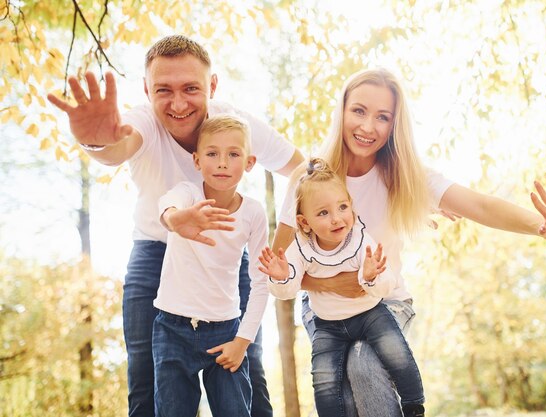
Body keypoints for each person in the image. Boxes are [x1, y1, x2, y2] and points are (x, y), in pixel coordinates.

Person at [272, 68, 546, 417]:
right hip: (326, 311)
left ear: (394, 125)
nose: (368, 127)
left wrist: (544, 227)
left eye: (382, 117)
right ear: (341, 111)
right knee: (343, 396)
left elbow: (478, 204)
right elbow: (280, 267)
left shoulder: (408, 177)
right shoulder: (307, 178)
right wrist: (334, 283)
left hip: (385, 302)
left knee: (362, 364)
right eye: (358, 111)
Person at [47, 35, 304, 417]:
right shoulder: (143, 120)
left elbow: (303, 170)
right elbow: (118, 145)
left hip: (224, 263)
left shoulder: (236, 125)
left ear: (212, 87)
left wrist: (280, 242)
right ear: (147, 89)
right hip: (156, 254)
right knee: (147, 381)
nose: (178, 103)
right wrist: (95, 142)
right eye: (163, 90)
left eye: (191, 88)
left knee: (247, 377)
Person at [259, 157, 426, 417]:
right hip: (328, 325)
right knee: (324, 379)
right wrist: (281, 277)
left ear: (352, 208)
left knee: (394, 349)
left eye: (342, 207)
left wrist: (371, 277)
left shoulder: (359, 239)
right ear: (304, 223)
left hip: (369, 314)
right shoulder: (301, 248)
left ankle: (414, 404)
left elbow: (385, 286)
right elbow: (287, 290)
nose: (337, 219)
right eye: (323, 213)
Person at [154, 115, 267, 417]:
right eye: (212, 153)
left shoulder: (253, 213)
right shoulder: (188, 195)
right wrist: (176, 220)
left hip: (225, 333)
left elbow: (261, 281)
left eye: (233, 154)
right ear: (196, 160)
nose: (222, 163)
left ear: (249, 162)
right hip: (172, 328)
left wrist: (242, 342)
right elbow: (168, 204)